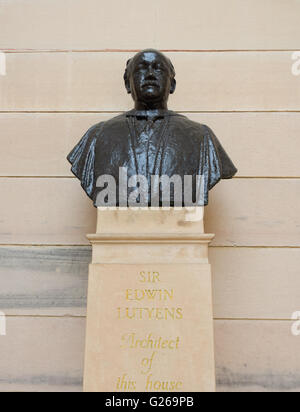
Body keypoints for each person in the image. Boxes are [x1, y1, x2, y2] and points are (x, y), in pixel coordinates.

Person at [67, 49, 237, 207]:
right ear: (127, 84)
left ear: (172, 85)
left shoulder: (201, 137)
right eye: (141, 69)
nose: (149, 75)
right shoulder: (97, 136)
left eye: (158, 69)